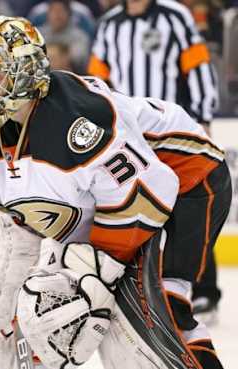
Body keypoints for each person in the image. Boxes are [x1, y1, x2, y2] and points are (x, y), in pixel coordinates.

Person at [0, 16, 231, 369]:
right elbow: (19, 224)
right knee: (55, 306)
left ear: (24, 74)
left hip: (189, 179)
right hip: (117, 198)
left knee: (162, 311)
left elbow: (149, 194)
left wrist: (96, 272)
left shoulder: (79, 121)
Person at [88, 0, 223, 321]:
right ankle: (142, 291)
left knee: (188, 206)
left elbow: (198, 66)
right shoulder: (110, 24)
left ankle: (203, 290)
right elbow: (97, 80)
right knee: (136, 206)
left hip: (169, 131)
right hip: (127, 136)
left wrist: (202, 118)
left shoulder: (173, 16)